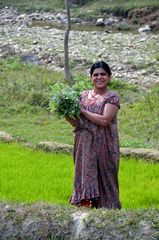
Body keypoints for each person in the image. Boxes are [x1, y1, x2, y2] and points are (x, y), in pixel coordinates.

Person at [66, 60, 121, 209]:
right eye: (95, 74)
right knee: (83, 175)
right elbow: (78, 124)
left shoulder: (112, 97)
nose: (99, 77)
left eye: (103, 74)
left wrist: (83, 110)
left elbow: (104, 120)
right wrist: (65, 113)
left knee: (106, 178)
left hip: (105, 145)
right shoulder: (82, 96)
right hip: (83, 145)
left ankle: (108, 212)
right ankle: (86, 207)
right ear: (91, 77)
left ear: (109, 77)